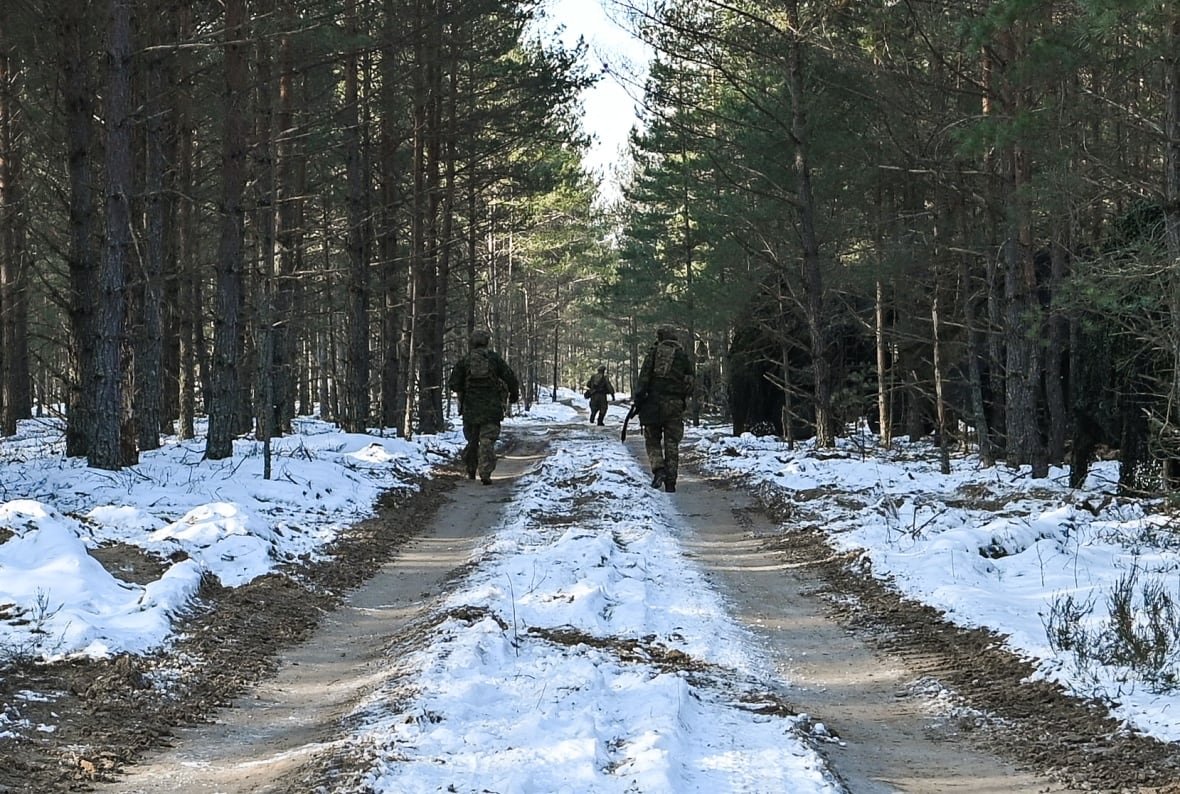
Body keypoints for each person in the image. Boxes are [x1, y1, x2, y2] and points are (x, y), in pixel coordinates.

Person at [448, 329, 519, 485]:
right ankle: (485, 472)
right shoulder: (494, 359)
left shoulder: (465, 360)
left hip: (470, 409)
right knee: (487, 440)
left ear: (472, 342)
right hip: (492, 408)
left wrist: (465, 389)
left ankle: (471, 470)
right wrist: (514, 394)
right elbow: (510, 377)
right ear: (487, 342)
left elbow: (453, 383)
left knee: (472, 440)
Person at [634, 326, 695, 493]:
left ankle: (659, 469)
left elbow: (644, 379)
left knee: (652, 439)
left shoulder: (654, 353)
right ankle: (671, 481)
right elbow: (690, 381)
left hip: (653, 403)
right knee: (672, 442)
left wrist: (638, 400)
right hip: (674, 405)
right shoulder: (682, 356)